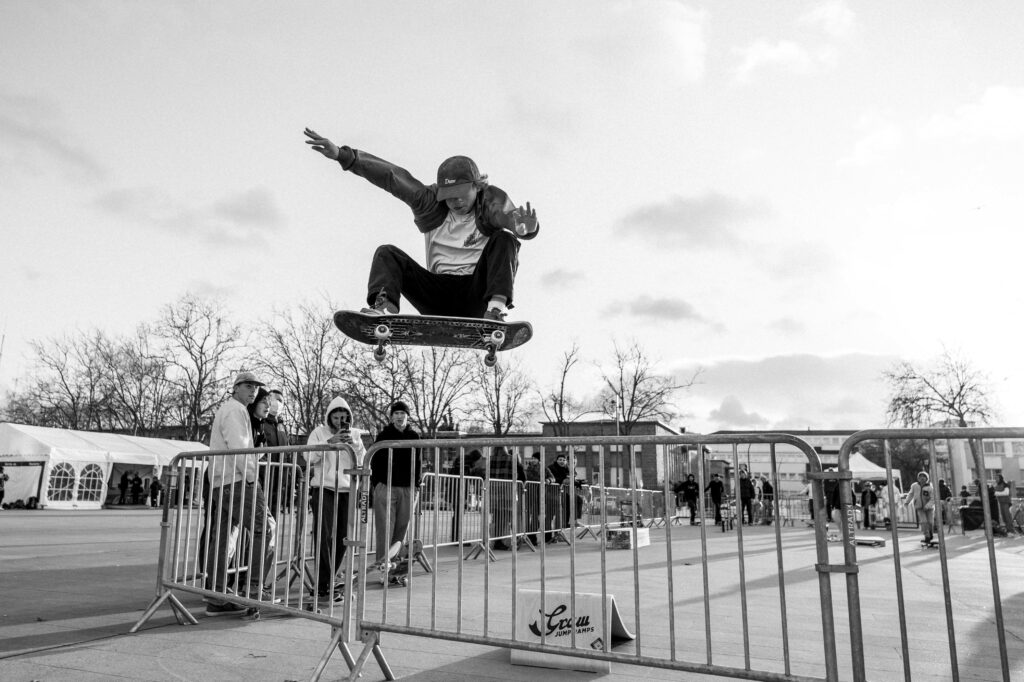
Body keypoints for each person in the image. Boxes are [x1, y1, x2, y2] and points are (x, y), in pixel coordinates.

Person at [304, 128, 540, 322]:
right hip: (436, 295)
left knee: (506, 239)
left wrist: (523, 228)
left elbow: (507, 215)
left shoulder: (489, 202)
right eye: (449, 195)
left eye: (461, 194)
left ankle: (496, 311)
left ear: (477, 186)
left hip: (477, 294)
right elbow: (393, 177)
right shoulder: (427, 202)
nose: (455, 201)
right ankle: (382, 310)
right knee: (387, 253)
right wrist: (344, 156)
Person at [204, 371, 277, 616]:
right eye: (248, 386)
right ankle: (253, 588)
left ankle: (216, 595)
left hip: (222, 480)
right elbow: (239, 449)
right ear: (235, 387)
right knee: (264, 527)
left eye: (256, 387)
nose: (253, 391)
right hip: (235, 479)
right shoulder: (235, 410)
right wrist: (250, 479)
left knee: (226, 536)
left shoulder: (233, 409)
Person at [306, 396, 365, 603]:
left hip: (347, 490)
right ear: (329, 417)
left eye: (344, 417)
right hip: (324, 488)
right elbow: (308, 457)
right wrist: (330, 443)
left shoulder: (356, 434)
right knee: (325, 536)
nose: (340, 421)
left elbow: (364, 461)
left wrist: (354, 445)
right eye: (336, 417)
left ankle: (330, 580)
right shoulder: (319, 432)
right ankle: (322, 585)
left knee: (343, 537)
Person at [371, 400, 421, 573]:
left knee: (401, 527)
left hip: (407, 487)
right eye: (396, 413)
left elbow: (418, 461)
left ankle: (395, 563)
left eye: (403, 413)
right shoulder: (384, 436)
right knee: (385, 528)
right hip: (387, 486)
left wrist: (416, 485)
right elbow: (375, 460)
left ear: (408, 416)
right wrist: (377, 483)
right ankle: (383, 564)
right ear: (392, 417)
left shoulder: (414, 436)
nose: (400, 417)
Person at [262, 389, 297, 515]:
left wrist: (289, 477)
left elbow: (288, 451)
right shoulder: (261, 422)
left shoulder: (282, 427)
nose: (277, 403)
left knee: (273, 516)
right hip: (263, 478)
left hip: (279, 480)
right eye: (274, 399)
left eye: (280, 400)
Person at [489, 446, 527, 550]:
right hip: (508, 491)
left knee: (497, 518)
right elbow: (523, 476)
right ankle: (514, 540)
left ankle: (497, 540)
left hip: (493, 492)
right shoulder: (512, 459)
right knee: (510, 517)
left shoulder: (490, 459)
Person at [544, 453, 573, 542]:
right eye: (560, 459)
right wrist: (563, 481)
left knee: (559, 515)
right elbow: (553, 478)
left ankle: (558, 534)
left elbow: (570, 478)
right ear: (556, 460)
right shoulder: (551, 468)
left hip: (561, 494)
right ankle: (548, 536)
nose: (562, 461)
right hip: (551, 493)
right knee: (549, 516)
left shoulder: (567, 469)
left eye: (564, 460)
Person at [904, 471, 935, 545]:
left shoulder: (930, 487)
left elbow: (933, 498)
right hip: (919, 507)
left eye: (923, 477)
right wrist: (907, 502)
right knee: (923, 522)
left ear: (926, 478)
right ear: (918, 478)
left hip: (929, 508)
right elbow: (911, 494)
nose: (922, 478)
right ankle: (927, 536)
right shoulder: (914, 486)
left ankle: (930, 533)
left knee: (930, 522)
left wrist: (927, 506)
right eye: (920, 477)